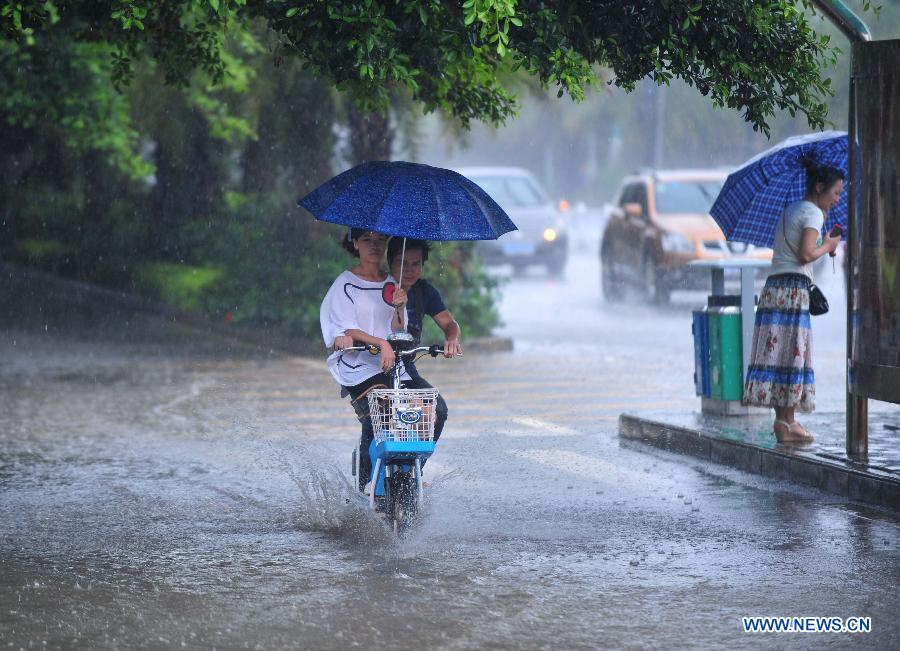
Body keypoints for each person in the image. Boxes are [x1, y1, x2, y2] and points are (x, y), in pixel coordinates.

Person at [742, 161, 844, 443]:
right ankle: (788, 421)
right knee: (791, 353)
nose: (837, 200)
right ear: (819, 188)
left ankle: (783, 421)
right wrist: (829, 246)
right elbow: (805, 255)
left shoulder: (791, 210)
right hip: (792, 290)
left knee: (779, 353)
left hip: (774, 288)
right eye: (835, 193)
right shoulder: (814, 213)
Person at [319, 228, 408, 492]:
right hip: (355, 364)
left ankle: (403, 476)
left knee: (417, 413)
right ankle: (366, 480)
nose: (374, 245)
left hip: (389, 364)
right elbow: (346, 328)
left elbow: (398, 330)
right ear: (355, 243)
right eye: (367, 240)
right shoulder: (345, 283)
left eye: (380, 240)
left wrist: (400, 307)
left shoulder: (393, 283)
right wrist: (380, 343)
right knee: (379, 413)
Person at [387, 238, 460, 460]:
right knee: (376, 416)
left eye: (416, 264)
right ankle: (366, 480)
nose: (409, 270)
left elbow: (449, 323)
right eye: (403, 263)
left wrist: (452, 339)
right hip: (373, 363)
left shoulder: (424, 292)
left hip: (405, 365)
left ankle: (415, 471)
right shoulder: (378, 287)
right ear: (390, 262)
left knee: (437, 410)